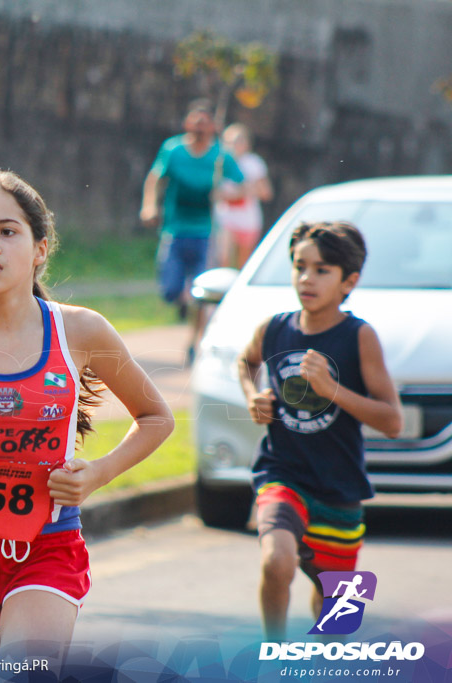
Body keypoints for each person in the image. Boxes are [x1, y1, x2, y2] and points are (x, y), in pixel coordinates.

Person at [0, 170, 174, 668]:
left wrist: (99, 473)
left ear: (40, 249)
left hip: (47, 546)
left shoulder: (81, 330)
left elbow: (156, 417)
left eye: (7, 231)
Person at [237, 221, 403, 642]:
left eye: (322, 269)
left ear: (350, 281)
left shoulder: (359, 337)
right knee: (277, 561)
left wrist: (332, 390)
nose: (307, 278)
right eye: (300, 266)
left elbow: (392, 420)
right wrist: (254, 395)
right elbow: (247, 361)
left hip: (340, 488)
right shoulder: (274, 327)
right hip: (282, 473)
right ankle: (272, 653)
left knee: (336, 619)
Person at [140, 99, 245, 366]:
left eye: (204, 123)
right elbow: (155, 178)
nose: (199, 128)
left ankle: (193, 342)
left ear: (213, 126)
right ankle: (181, 301)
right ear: (187, 124)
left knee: (202, 292)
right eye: (195, 122)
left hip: (205, 232)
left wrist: (226, 193)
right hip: (175, 229)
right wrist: (150, 206)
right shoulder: (173, 150)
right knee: (170, 289)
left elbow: (244, 187)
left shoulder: (220, 156)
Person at [213, 123, 274, 269]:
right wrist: (238, 193)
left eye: (239, 140)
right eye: (230, 141)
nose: (234, 145)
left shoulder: (254, 163)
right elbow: (214, 193)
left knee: (244, 263)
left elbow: (266, 193)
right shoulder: (218, 162)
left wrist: (245, 191)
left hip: (248, 219)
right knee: (224, 259)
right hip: (225, 217)